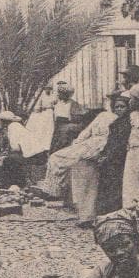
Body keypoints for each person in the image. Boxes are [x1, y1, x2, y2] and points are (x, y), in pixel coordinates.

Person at [38, 91, 125, 225]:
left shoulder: (122, 121)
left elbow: (114, 141)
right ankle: (56, 190)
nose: (116, 107)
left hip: (101, 149)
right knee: (58, 159)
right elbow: (87, 131)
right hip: (88, 147)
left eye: (120, 105)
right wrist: (78, 143)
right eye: (114, 103)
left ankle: (88, 216)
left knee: (88, 183)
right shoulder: (103, 116)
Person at [96, 93, 133, 216]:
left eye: (122, 107)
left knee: (115, 187)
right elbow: (110, 141)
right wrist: (103, 154)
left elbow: (120, 145)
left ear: (128, 108)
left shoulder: (126, 124)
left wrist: (107, 158)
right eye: (117, 107)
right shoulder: (117, 122)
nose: (119, 109)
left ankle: (113, 214)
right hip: (110, 158)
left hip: (119, 160)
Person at [0, 111, 29, 187]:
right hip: (29, 153)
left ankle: (12, 185)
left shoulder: (12, 127)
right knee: (9, 159)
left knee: (9, 161)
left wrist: (4, 157)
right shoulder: (15, 125)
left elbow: (15, 148)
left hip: (30, 155)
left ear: (4, 121)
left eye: (0, 120)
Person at [51, 82, 85, 152]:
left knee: (64, 144)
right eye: (59, 92)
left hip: (67, 127)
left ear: (65, 94)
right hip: (57, 126)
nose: (58, 94)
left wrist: (69, 123)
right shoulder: (57, 103)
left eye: (60, 93)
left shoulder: (74, 104)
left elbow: (78, 119)